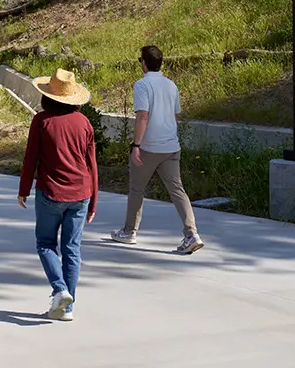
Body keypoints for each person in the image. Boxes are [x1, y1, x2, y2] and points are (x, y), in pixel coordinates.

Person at [17, 68, 98, 323]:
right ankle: (68, 308)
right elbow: (91, 164)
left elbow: (31, 158)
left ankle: (60, 290)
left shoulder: (41, 121)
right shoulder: (84, 123)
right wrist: (94, 200)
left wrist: (23, 190)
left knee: (45, 243)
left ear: (47, 96)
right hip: (81, 193)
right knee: (72, 249)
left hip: (51, 192)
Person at [110, 45, 203, 254]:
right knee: (177, 190)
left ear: (143, 62)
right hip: (171, 146)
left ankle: (129, 231)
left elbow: (143, 116)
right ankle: (191, 234)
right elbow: (176, 116)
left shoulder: (142, 85)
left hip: (149, 147)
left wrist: (136, 145)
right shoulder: (171, 85)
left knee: (136, 188)